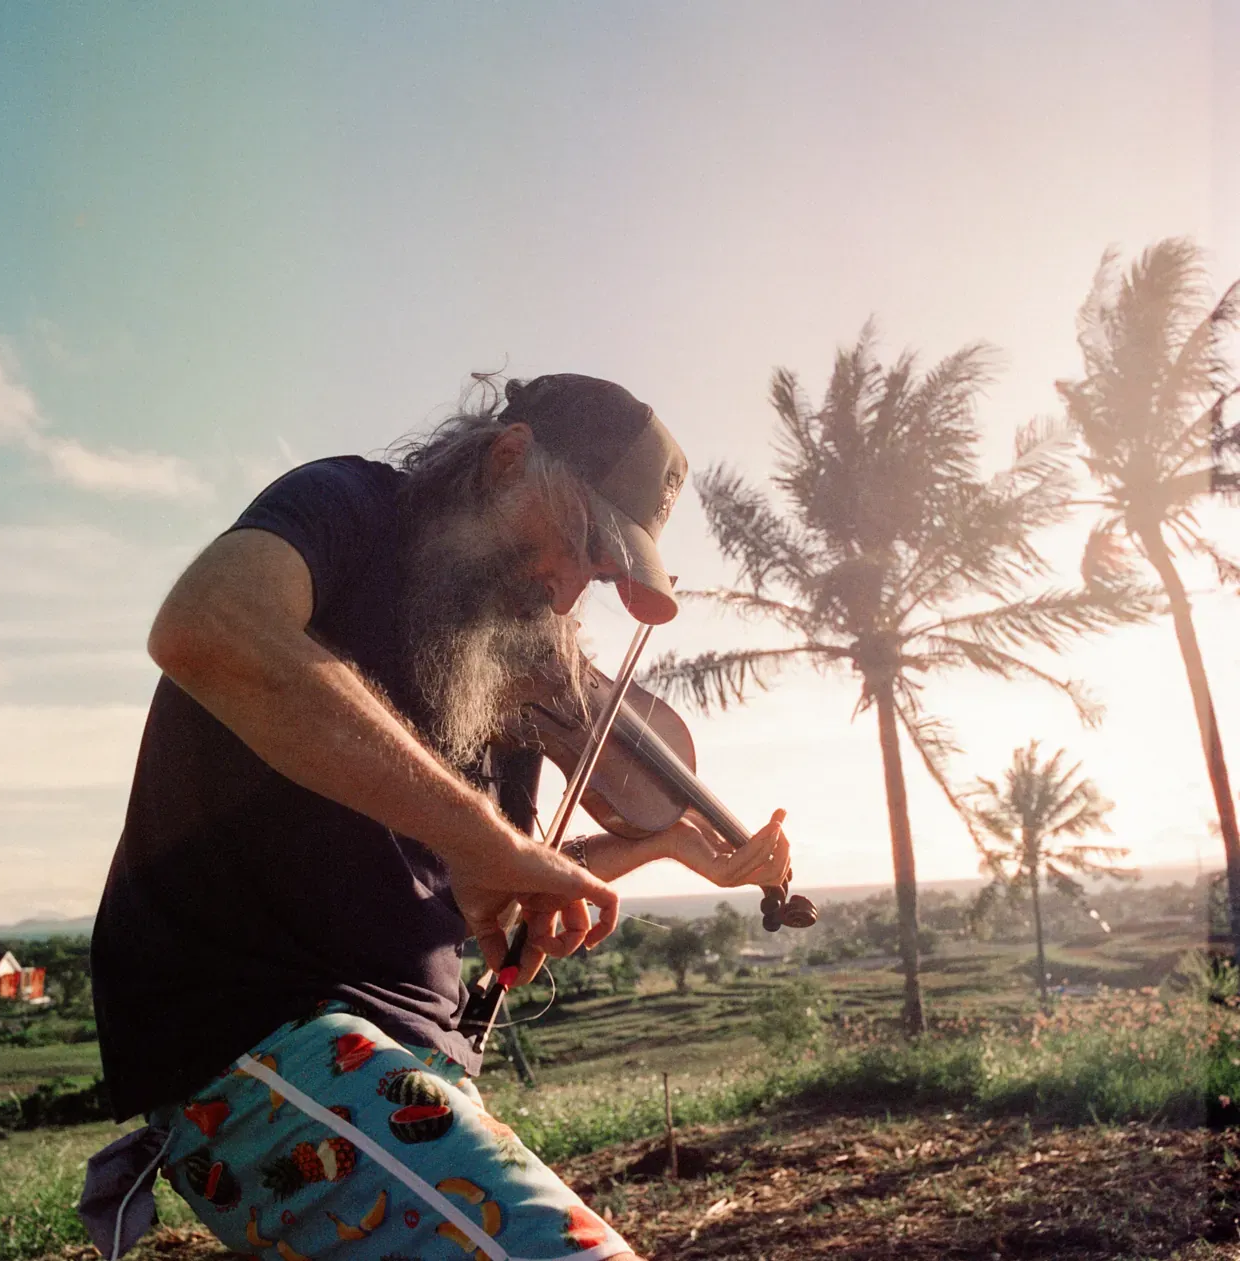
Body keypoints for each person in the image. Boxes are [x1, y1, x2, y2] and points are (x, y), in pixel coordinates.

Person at [84, 374, 792, 1261]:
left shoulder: (501, 651)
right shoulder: (347, 507)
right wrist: (485, 838)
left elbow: (478, 891)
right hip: (261, 1037)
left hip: (417, 1062)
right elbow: (208, 628)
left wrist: (665, 845)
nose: (569, 595)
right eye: (576, 542)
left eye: (600, 574)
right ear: (506, 460)